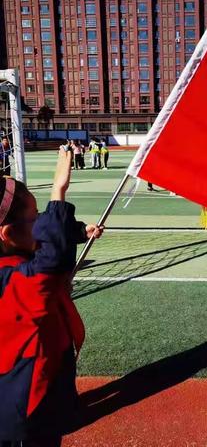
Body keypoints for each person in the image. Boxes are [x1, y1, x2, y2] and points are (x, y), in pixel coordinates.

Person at [0, 148, 103, 445]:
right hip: (25, 402)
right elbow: (49, 263)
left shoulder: (19, 265)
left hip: (48, 379)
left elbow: (50, 249)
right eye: (35, 217)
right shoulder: (10, 278)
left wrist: (78, 231)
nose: (43, 221)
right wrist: (58, 190)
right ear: (7, 234)